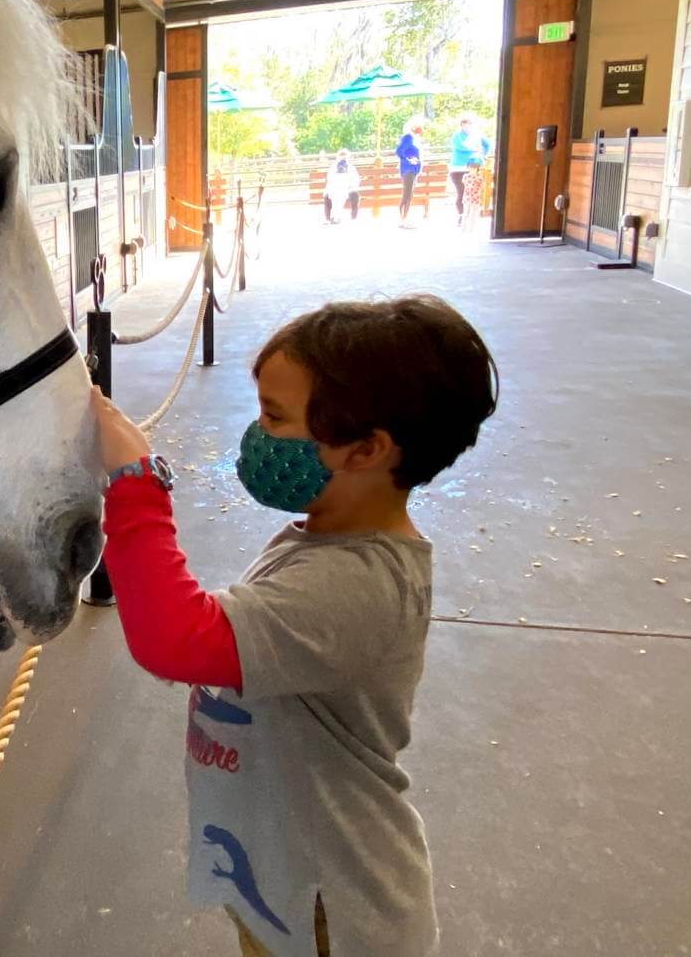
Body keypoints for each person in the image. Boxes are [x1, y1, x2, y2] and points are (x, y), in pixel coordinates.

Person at [92, 295, 499, 957]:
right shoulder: (323, 541)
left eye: (275, 418)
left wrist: (133, 479)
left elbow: (173, 637)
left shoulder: (357, 585)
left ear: (367, 450)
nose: (256, 436)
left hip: (332, 909)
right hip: (284, 881)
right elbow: (224, 638)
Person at [447, 115, 491, 224]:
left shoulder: (477, 135)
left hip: (472, 166)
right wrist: (474, 148)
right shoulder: (457, 136)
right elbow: (459, 146)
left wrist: (483, 155)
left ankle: (471, 214)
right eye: (465, 125)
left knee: (472, 191)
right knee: (461, 191)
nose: (467, 127)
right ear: (461, 126)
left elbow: (487, 144)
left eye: (469, 125)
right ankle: (461, 215)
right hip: (457, 168)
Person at [395, 117, 425, 228]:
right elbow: (399, 150)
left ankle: (404, 218)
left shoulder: (415, 139)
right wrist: (409, 158)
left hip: (413, 170)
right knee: (407, 195)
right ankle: (403, 220)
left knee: (409, 195)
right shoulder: (408, 137)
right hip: (408, 170)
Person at [322, 149, 360, 224]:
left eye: (345, 158)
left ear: (348, 158)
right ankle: (332, 217)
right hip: (334, 188)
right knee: (334, 197)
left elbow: (356, 179)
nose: (343, 160)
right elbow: (329, 179)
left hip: (347, 188)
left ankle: (338, 217)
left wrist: (352, 187)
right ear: (337, 158)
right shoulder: (333, 167)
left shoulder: (351, 168)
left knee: (342, 197)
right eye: (341, 157)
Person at [460, 159, 484, 235]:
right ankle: (463, 229)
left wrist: (478, 193)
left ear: (477, 169)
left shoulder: (479, 178)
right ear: (468, 168)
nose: (472, 169)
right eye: (470, 168)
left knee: (473, 214)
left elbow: (481, 187)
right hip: (467, 197)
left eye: (474, 168)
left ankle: (471, 230)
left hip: (475, 197)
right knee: (465, 213)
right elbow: (464, 184)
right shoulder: (465, 176)